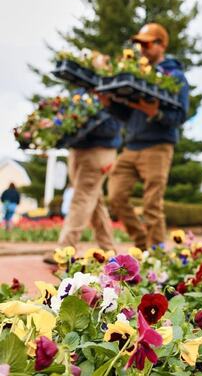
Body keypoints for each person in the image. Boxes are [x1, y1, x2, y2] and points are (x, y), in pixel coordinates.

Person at [108, 23, 189, 250]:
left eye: (147, 44)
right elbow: (128, 114)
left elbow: (181, 114)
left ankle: (156, 256)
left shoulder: (175, 76)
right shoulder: (137, 74)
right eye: (139, 45)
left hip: (158, 146)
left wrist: (157, 113)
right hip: (131, 146)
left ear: (161, 45)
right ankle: (142, 242)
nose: (142, 49)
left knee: (152, 203)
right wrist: (109, 105)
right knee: (115, 196)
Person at [43, 110, 121, 264]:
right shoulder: (81, 93)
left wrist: (84, 122)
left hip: (99, 150)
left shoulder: (113, 93)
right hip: (78, 150)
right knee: (94, 201)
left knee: (81, 198)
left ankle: (65, 249)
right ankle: (109, 249)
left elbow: (112, 127)